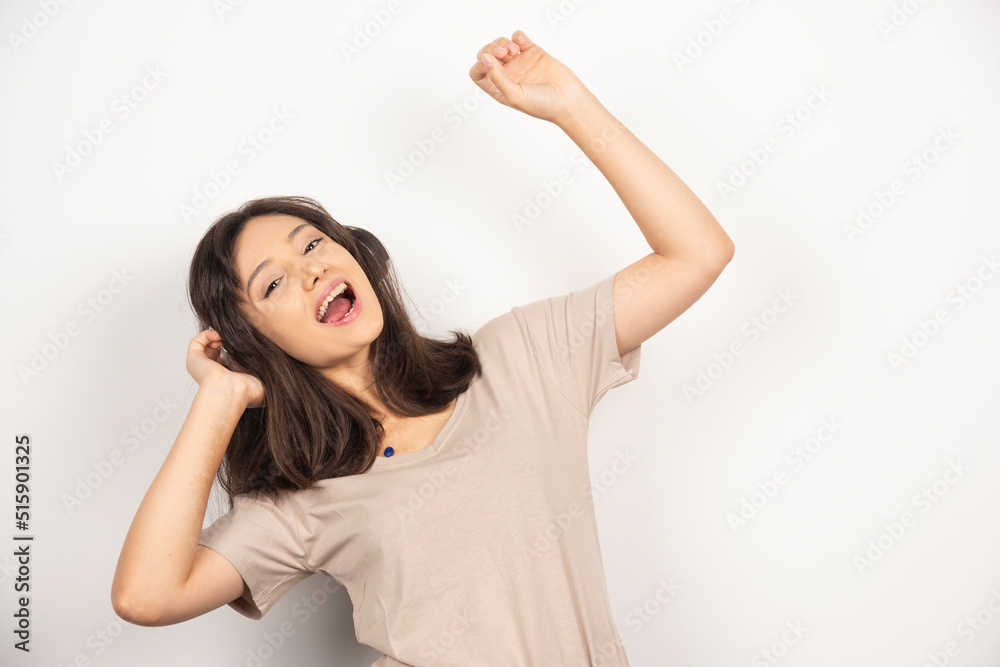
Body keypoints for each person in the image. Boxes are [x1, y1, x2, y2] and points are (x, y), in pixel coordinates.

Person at [111, 30, 734, 666]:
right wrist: (220, 397)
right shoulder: (300, 500)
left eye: (313, 244)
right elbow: (144, 596)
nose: (310, 271)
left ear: (352, 252)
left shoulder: (518, 360)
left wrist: (570, 104)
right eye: (273, 284)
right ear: (256, 341)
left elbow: (696, 254)